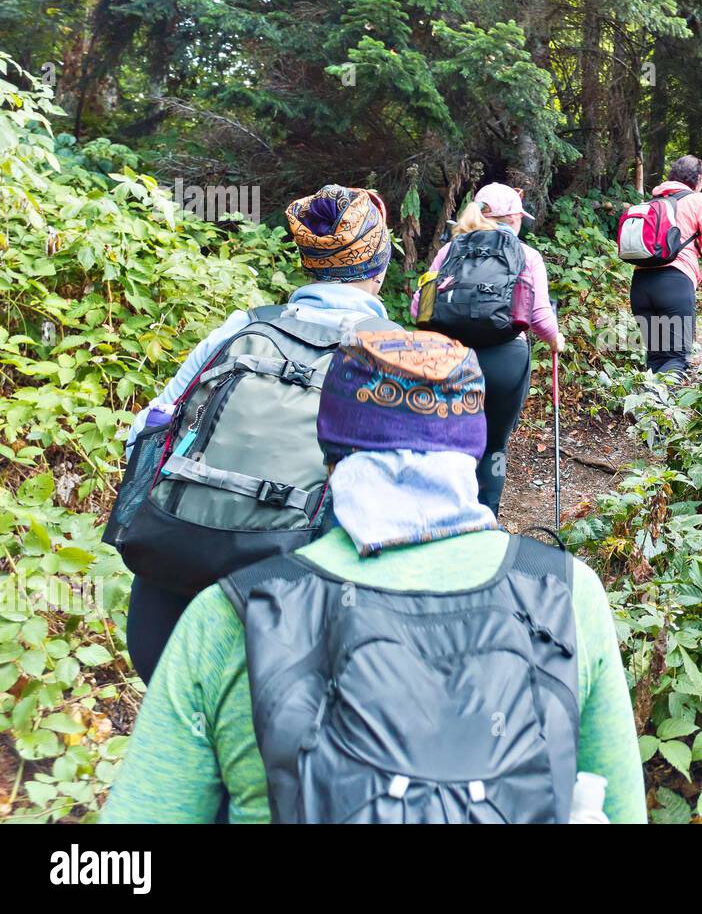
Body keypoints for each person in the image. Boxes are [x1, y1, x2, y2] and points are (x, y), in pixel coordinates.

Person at [100, 329, 646, 824]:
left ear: (330, 453)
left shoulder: (232, 614)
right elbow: (619, 807)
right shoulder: (568, 593)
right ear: (470, 450)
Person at [119, 184, 392, 684]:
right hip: (287, 623)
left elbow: (147, 430)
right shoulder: (396, 355)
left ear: (308, 262)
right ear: (379, 266)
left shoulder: (242, 328)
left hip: (165, 607)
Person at [409, 183, 562, 515]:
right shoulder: (526, 255)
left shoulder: (449, 251)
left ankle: (445, 517)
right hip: (505, 360)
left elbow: (417, 308)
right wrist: (555, 341)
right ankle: (486, 521)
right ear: (510, 219)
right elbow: (538, 315)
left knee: (449, 443)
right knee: (494, 447)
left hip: (450, 359)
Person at [630, 155, 702, 377]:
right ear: (698, 179)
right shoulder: (697, 200)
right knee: (676, 360)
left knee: (656, 357)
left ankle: (647, 407)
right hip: (675, 285)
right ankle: (658, 406)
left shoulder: (651, 203)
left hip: (641, 285)